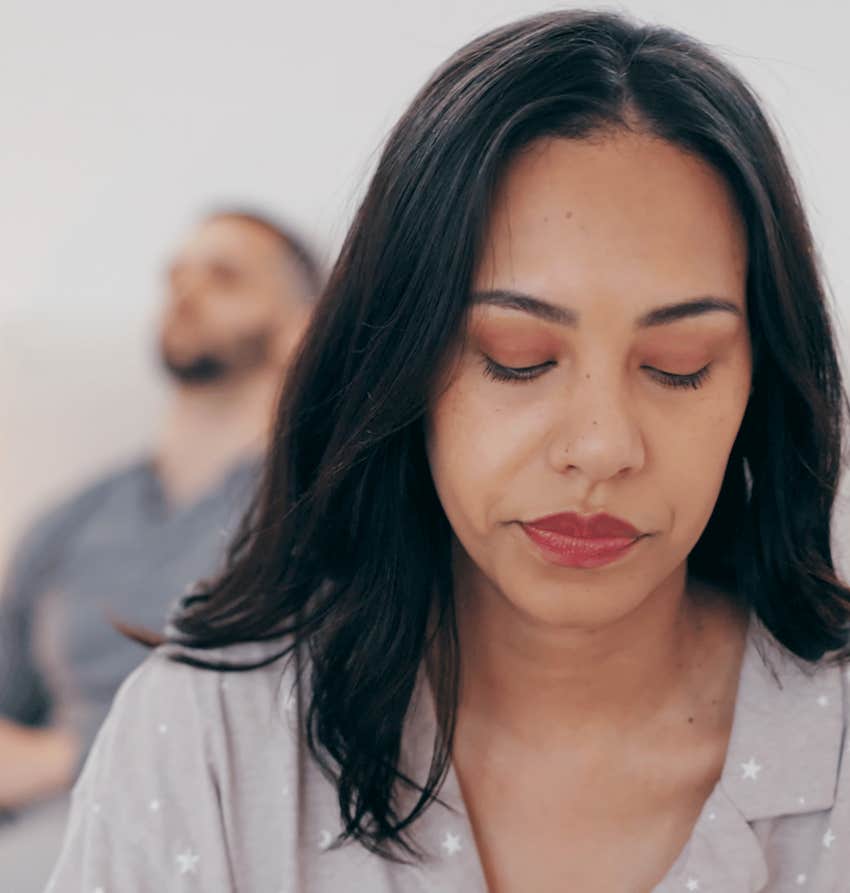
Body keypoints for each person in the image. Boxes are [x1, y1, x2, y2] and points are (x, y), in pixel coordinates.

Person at [48, 11, 850, 893]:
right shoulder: (209, 737)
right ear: (402, 364)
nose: (600, 447)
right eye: (517, 358)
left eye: (677, 366)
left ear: (756, 387)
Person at [0, 209, 319, 886]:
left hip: (220, 842)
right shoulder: (69, 519)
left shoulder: (322, 513)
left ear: (303, 327)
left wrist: (66, 756)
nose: (186, 290)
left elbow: (310, 732)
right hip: (45, 845)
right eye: (176, 274)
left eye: (224, 275)